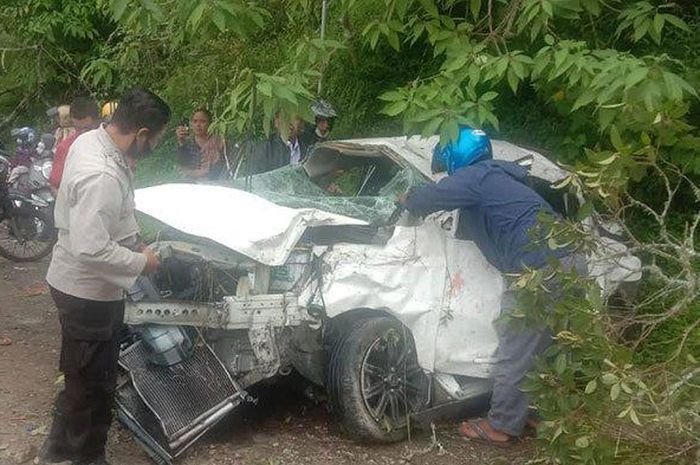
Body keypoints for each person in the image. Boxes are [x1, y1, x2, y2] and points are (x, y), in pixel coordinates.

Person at [400, 127, 586, 446]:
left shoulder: (476, 177)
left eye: (447, 169)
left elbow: (428, 198)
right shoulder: (504, 178)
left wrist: (407, 199)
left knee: (515, 344)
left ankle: (501, 425)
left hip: (540, 268)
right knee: (547, 347)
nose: (447, 176)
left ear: (457, 158)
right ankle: (535, 415)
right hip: (571, 259)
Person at [40, 87, 170, 465]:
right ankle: (83, 458)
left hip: (83, 284)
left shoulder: (92, 141)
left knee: (83, 377)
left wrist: (135, 241)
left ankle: (57, 451)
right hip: (86, 291)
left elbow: (111, 217)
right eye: (155, 139)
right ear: (142, 133)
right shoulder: (102, 175)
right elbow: (91, 248)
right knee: (91, 385)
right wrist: (140, 262)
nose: (154, 146)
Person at [49, 96, 101, 190]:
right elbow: (55, 186)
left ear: (98, 122)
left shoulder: (113, 143)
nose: (82, 134)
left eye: (87, 129)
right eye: (78, 129)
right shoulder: (65, 148)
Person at [175, 108, 226, 181]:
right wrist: (181, 142)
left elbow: (225, 167)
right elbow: (181, 164)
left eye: (203, 121)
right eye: (195, 121)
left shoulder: (219, 142)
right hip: (190, 185)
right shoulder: (187, 142)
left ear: (211, 124)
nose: (198, 125)